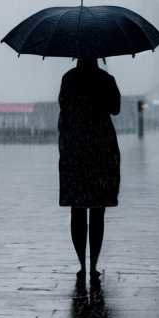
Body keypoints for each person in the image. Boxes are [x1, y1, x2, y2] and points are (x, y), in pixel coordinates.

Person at [58, 58, 121, 283]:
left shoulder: (69, 79)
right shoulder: (106, 79)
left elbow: (64, 108)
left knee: (77, 209)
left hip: (75, 150)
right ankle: (93, 263)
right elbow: (116, 109)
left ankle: (82, 263)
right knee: (97, 209)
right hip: (101, 149)